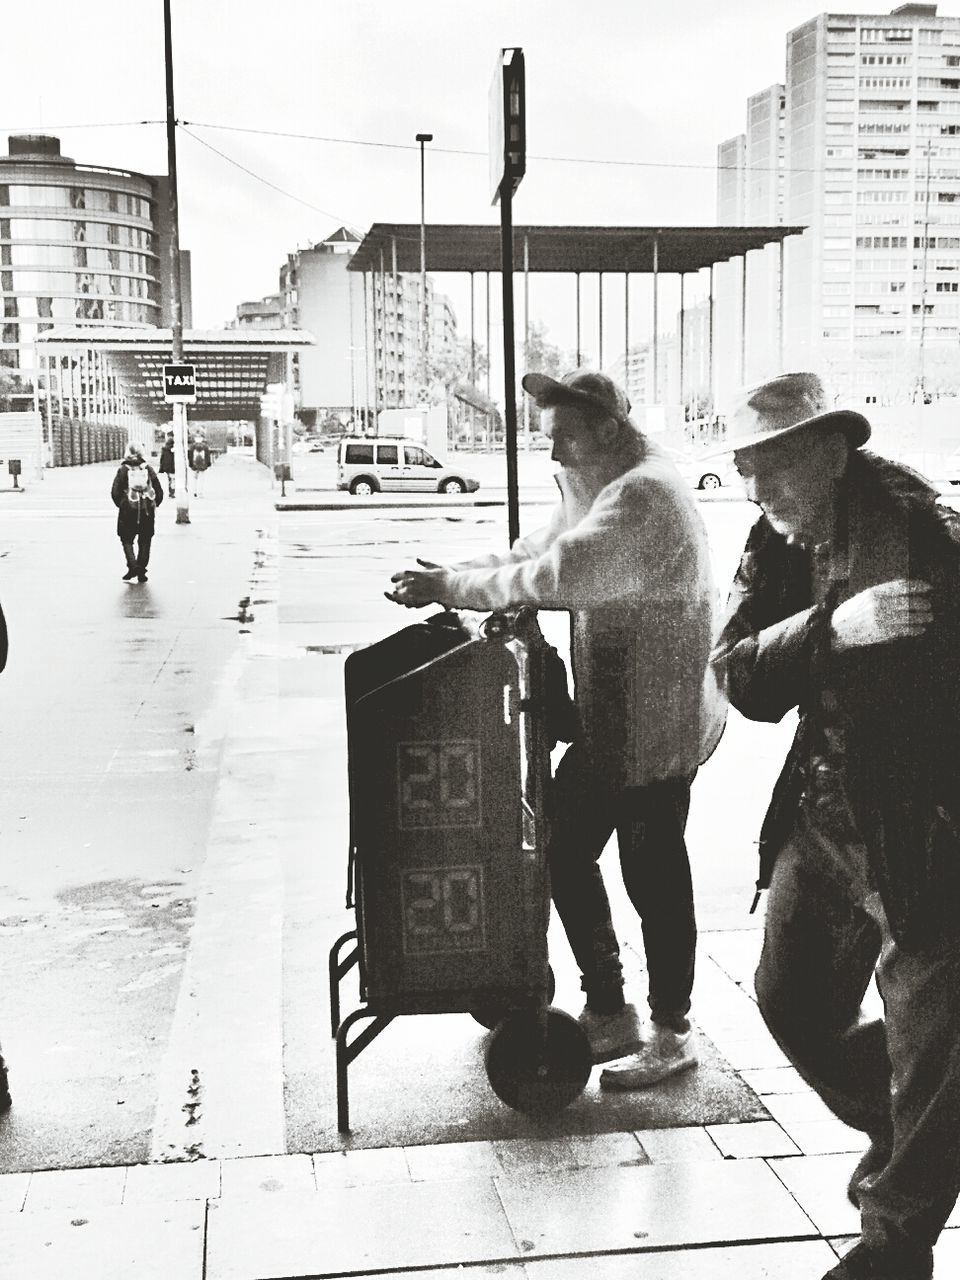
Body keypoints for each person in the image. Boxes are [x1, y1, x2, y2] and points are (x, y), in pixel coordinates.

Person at [387, 369, 727, 1086]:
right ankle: (610, 1005)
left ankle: (671, 1030)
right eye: (548, 439)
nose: (553, 454)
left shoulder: (643, 493)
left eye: (564, 436)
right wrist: (450, 573)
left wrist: (450, 588)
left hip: (654, 722)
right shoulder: (599, 481)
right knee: (565, 851)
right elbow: (531, 552)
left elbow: (556, 576)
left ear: (607, 428)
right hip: (615, 720)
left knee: (653, 875)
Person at [712, 371, 960, 1280]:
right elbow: (739, 677)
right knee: (791, 1003)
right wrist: (831, 628)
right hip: (823, 817)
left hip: (920, 828)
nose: (753, 491)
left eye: (765, 471)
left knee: (931, 1044)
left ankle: (894, 1243)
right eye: (742, 472)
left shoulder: (918, 533)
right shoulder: (776, 539)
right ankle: (908, 1131)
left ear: (824, 453)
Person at [111, 442, 163, 583]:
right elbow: (158, 490)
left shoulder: (123, 469)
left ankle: (133, 566)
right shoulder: (148, 468)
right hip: (146, 510)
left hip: (128, 510)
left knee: (126, 539)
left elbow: (115, 492)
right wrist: (154, 504)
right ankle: (141, 571)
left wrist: (122, 504)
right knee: (145, 540)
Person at [189, 432, 211, 496]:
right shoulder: (205, 447)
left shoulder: (192, 446)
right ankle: (200, 492)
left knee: (194, 478)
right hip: (202, 465)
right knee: (201, 479)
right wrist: (208, 464)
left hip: (194, 464)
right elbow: (207, 456)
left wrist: (191, 465)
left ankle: (194, 491)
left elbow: (190, 456)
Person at [158, 429, 176, 498]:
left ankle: (171, 492)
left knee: (170, 479)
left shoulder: (164, 448)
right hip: (173, 466)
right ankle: (172, 492)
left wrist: (161, 468)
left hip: (166, 467)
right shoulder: (174, 448)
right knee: (173, 480)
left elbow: (162, 459)